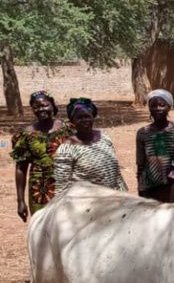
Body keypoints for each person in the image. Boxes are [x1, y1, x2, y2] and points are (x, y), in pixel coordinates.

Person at [11, 91, 73, 222]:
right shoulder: (26, 135)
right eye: (36, 107)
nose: (41, 109)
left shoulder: (68, 129)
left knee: (68, 225)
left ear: (52, 105)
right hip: (39, 190)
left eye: (44, 105)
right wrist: (20, 201)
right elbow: (21, 168)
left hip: (68, 185)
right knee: (43, 227)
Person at [54, 98, 127, 193]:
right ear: (72, 121)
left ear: (93, 117)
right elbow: (61, 186)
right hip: (86, 203)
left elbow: (116, 174)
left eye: (87, 116)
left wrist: (123, 195)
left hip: (113, 200)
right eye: (79, 117)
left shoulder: (104, 137)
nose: (85, 120)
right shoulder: (66, 148)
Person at [135, 89, 174, 202]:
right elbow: (141, 164)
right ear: (149, 108)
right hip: (151, 186)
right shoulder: (142, 133)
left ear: (169, 107)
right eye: (153, 106)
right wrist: (141, 189)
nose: (158, 109)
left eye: (162, 105)